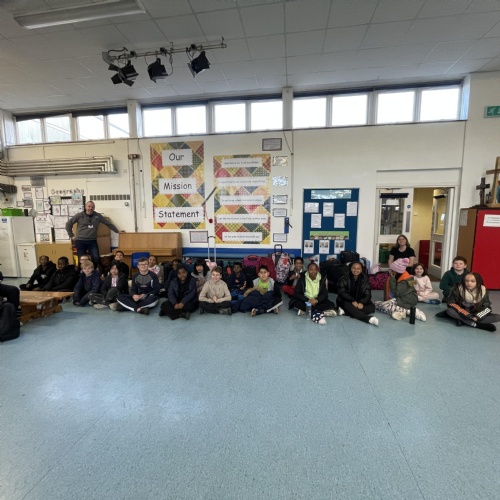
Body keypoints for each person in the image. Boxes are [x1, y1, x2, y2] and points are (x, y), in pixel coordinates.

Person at [336, 261, 378, 326]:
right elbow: (341, 292)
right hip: (346, 300)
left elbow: (368, 294)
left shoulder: (365, 279)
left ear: (361, 270)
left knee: (371, 307)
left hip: (359, 299)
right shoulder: (344, 278)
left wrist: (362, 302)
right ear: (350, 268)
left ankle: (345, 312)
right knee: (347, 305)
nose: (356, 270)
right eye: (354, 268)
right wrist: (352, 300)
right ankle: (367, 319)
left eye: (358, 268)